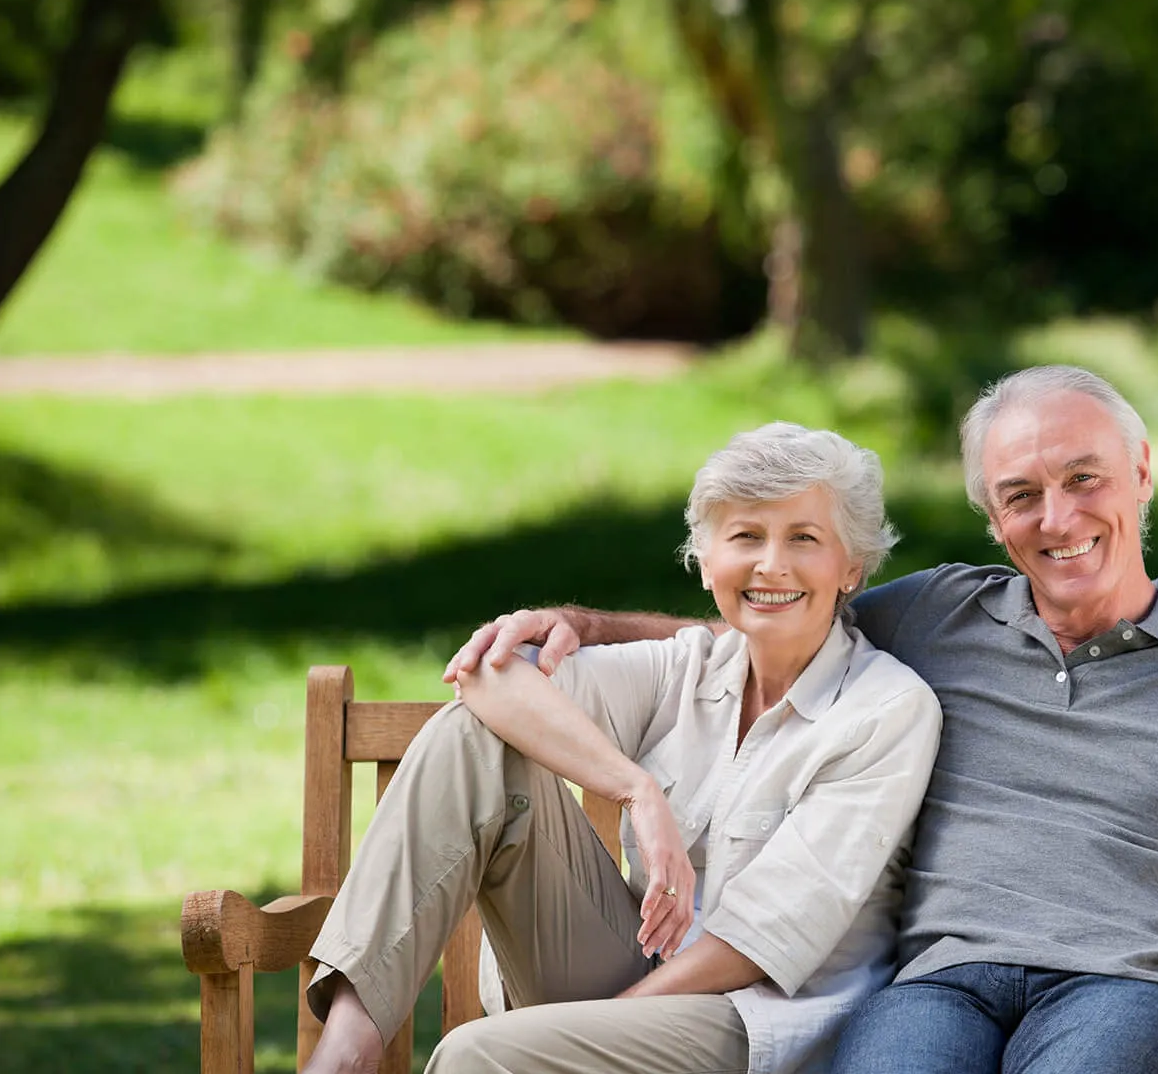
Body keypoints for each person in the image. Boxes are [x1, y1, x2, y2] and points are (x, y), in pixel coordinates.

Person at [446, 365, 1158, 1074]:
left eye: (1085, 480)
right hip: (940, 987)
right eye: (1021, 494)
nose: (1058, 518)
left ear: (1142, 474)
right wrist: (584, 623)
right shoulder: (939, 616)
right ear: (992, 516)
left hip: (1136, 992)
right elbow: (768, 621)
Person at [302, 422, 942, 1074]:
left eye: (803, 538)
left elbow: (754, 945)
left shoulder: (886, 711)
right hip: (633, 974)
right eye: (745, 535)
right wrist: (634, 788)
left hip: (753, 1026)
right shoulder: (687, 668)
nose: (770, 563)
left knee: (476, 1055)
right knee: (475, 738)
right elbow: (489, 677)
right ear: (706, 560)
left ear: (851, 568)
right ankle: (346, 1050)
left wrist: (603, 1022)